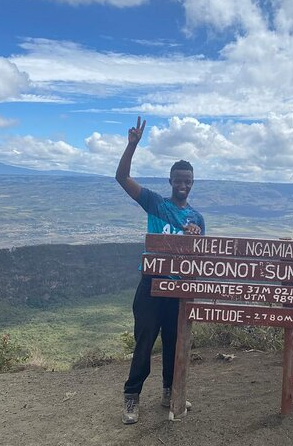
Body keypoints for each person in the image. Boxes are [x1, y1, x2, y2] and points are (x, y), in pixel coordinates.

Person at [115, 116, 205, 425]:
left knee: (173, 343)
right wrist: (132, 146)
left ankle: (169, 392)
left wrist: (196, 238)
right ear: (170, 182)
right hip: (152, 284)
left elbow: (199, 259)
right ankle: (132, 396)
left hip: (179, 289)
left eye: (187, 181)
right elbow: (121, 177)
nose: (182, 185)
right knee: (144, 342)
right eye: (178, 180)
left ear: (192, 183)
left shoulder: (197, 218)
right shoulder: (155, 203)